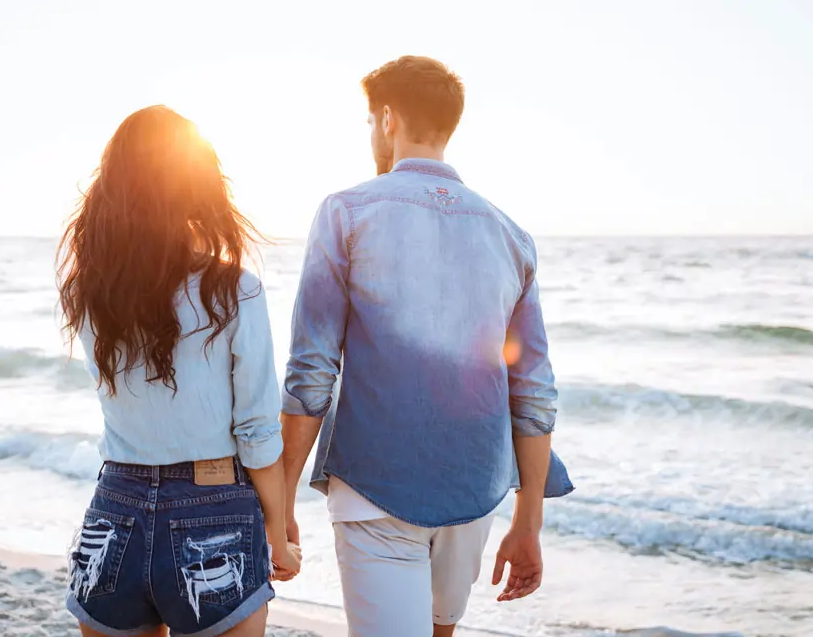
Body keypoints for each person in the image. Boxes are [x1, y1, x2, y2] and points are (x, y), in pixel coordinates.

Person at [280, 56, 573, 636]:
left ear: (387, 118)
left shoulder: (347, 212)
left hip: (374, 485)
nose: (371, 134)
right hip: (474, 487)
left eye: (369, 121)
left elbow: (312, 370)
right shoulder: (510, 234)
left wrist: (280, 499)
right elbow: (533, 391)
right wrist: (528, 522)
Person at [58, 106, 300, 637]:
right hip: (213, 510)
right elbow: (257, 431)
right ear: (196, 186)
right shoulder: (235, 290)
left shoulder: (89, 292)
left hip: (114, 510)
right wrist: (279, 530)